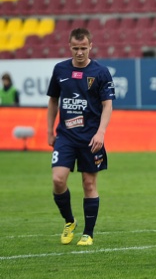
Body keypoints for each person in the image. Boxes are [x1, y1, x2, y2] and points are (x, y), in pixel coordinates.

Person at [46, 28, 115, 246]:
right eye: (75, 48)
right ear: (69, 47)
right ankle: (69, 221)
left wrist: (101, 133)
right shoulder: (60, 70)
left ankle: (88, 233)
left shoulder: (100, 72)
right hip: (65, 136)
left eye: (83, 48)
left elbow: (107, 105)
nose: (79, 52)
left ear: (90, 46)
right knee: (58, 180)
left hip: (90, 138)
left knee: (88, 183)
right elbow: (53, 102)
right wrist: (50, 131)